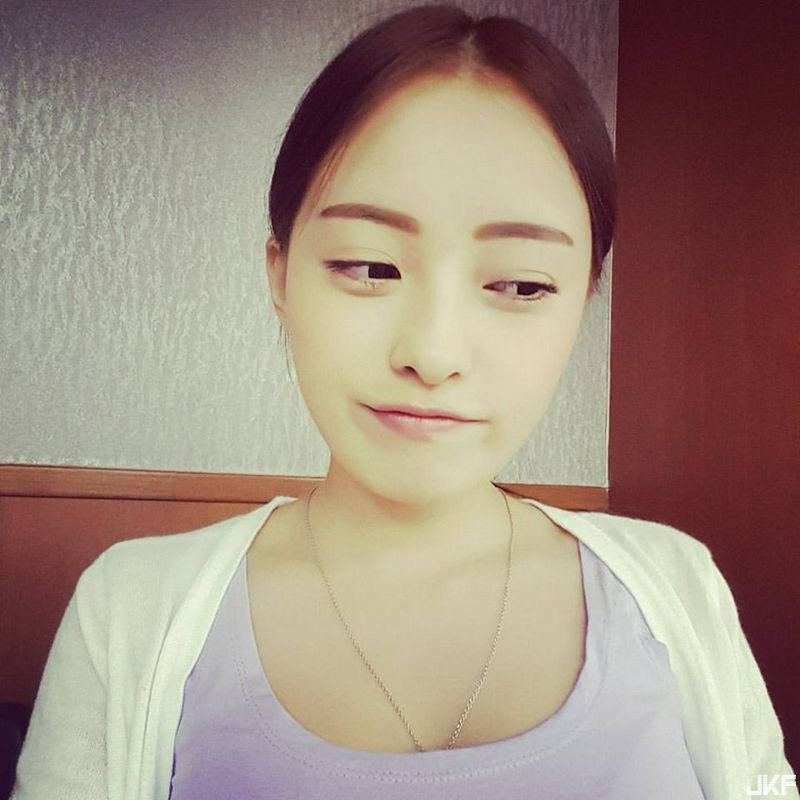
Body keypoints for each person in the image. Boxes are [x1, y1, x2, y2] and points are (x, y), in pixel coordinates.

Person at [11, 4, 796, 799]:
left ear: (585, 301)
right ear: (280, 275)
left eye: (521, 284)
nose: (433, 353)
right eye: (369, 267)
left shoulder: (676, 588)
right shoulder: (132, 610)